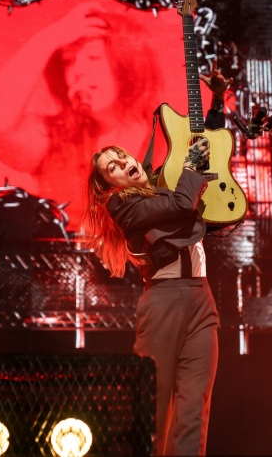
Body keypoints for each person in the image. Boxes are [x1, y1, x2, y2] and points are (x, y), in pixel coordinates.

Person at [82, 67, 231, 456]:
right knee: (152, 408)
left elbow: (201, 141)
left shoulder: (160, 180)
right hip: (165, 301)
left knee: (193, 410)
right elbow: (182, 202)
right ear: (108, 185)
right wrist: (192, 170)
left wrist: (216, 101)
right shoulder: (123, 206)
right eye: (111, 167)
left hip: (202, 299)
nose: (123, 163)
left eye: (121, 156)